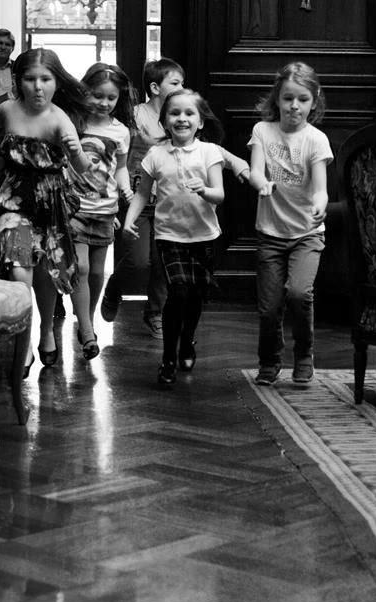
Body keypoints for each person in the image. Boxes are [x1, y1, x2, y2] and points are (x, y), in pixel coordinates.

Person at [102, 57, 251, 336]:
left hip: (170, 203)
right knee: (138, 261)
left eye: (182, 82)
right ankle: (115, 287)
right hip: (140, 196)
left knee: (160, 265)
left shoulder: (183, 115)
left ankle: (155, 313)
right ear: (156, 87)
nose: (182, 86)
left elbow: (206, 147)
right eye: (175, 82)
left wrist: (238, 163)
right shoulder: (136, 115)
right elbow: (119, 151)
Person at [0, 48, 92, 366]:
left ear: (56, 83)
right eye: (30, 79)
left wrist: (76, 152)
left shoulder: (59, 119)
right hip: (13, 202)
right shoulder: (8, 110)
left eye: (45, 79)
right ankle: (24, 341)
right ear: (18, 81)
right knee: (21, 268)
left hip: (50, 203)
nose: (38, 87)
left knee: (48, 274)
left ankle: (46, 331)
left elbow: (84, 167)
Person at [121, 88, 226, 387]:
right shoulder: (156, 154)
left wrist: (204, 190)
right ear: (165, 121)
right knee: (178, 291)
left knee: (195, 295)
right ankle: (168, 356)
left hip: (203, 235)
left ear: (200, 122)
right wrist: (129, 220)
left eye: (189, 113)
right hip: (169, 235)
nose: (182, 118)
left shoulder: (209, 153)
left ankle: (188, 342)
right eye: (175, 113)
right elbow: (142, 194)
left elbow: (218, 195)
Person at [246, 61, 332, 388]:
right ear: (277, 99)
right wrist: (261, 184)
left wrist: (320, 206)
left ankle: (305, 354)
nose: (294, 106)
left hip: (307, 235)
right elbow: (255, 170)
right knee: (268, 308)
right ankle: (269, 360)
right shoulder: (262, 132)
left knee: (298, 293)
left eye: (302, 99)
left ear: (314, 100)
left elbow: (321, 189)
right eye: (287, 98)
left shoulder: (316, 139)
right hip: (270, 234)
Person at [68, 63, 134, 360]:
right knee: (80, 268)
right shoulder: (73, 123)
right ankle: (85, 331)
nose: (104, 103)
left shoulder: (121, 131)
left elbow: (119, 169)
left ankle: (87, 317)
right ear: (84, 91)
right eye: (97, 95)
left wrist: (126, 190)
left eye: (111, 98)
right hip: (75, 207)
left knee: (96, 272)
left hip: (106, 209)